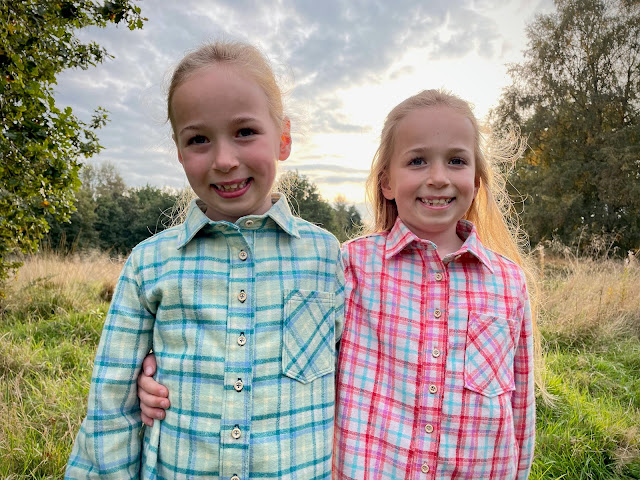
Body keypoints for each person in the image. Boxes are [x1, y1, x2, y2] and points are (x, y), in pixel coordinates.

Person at [138, 89, 537, 479]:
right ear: (387, 183)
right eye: (417, 161)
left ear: (476, 181)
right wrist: (167, 369)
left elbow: (520, 408)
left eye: (456, 161)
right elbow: (265, 333)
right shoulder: (348, 266)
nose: (438, 177)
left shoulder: (507, 282)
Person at [65, 41, 344, 480]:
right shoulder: (148, 264)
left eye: (245, 132)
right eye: (198, 140)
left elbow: (363, 380)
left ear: (283, 138)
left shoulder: (328, 257)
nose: (224, 160)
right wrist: (139, 389)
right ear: (179, 151)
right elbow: (110, 406)